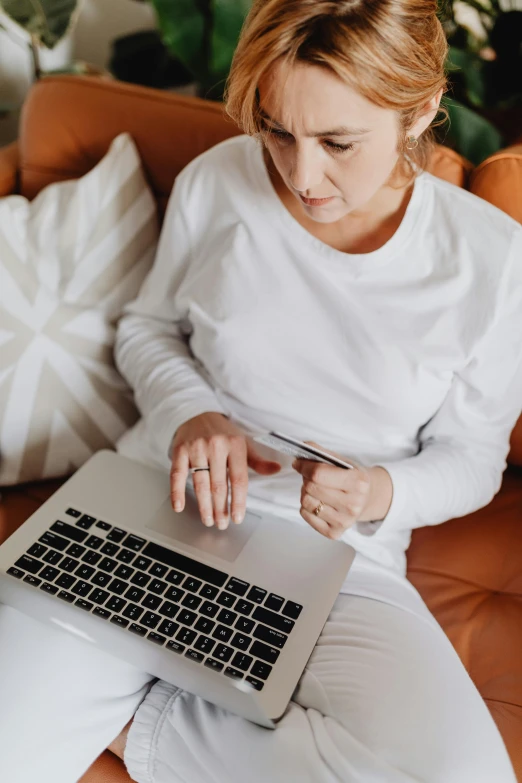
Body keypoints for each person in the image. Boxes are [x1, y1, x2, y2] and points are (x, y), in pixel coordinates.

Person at [1, 0, 521, 781]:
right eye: (278, 129)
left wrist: (378, 492)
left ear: (420, 112)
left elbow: (476, 457)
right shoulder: (220, 181)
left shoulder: (493, 260)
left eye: (338, 142)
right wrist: (192, 412)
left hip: (342, 559)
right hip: (149, 507)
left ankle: (152, 714)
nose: (301, 174)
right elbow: (148, 329)